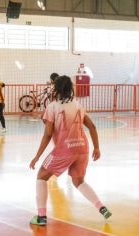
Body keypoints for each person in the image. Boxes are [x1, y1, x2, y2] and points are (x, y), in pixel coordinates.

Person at [29, 75, 112, 226]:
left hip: (64, 150)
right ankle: (102, 208)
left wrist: (37, 156)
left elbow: (48, 134)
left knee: (41, 176)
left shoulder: (53, 107)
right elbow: (92, 126)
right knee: (79, 181)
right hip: (82, 149)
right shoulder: (78, 105)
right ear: (70, 89)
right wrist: (97, 147)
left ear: (56, 89)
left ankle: (41, 217)